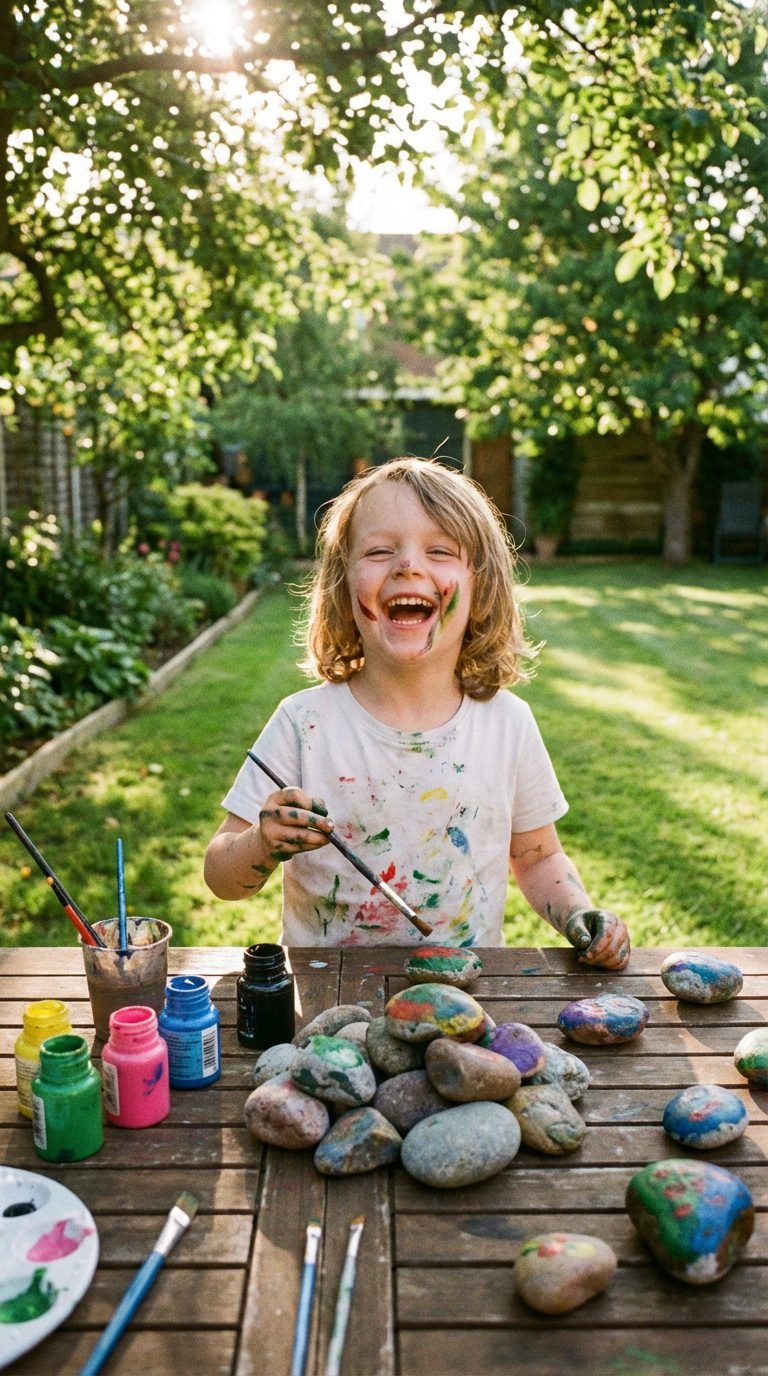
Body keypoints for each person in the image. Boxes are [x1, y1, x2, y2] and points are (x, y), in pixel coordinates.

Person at [204, 457, 630, 968]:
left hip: (462, 991)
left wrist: (577, 912)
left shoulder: (507, 726)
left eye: (440, 551)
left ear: (481, 586)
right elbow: (221, 877)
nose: (407, 565)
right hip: (327, 993)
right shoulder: (304, 724)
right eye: (379, 551)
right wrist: (260, 843)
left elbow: (538, 858)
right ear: (343, 585)